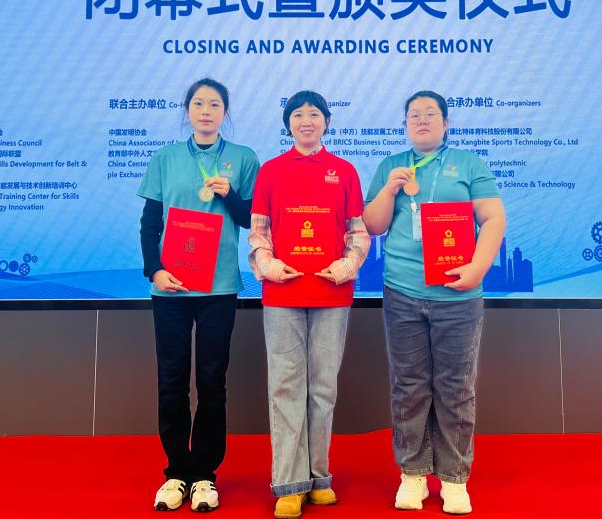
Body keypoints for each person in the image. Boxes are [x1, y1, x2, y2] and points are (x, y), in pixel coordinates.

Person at [362, 91, 506, 515]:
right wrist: (390, 189)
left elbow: (493, 218)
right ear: (405, 124)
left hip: (458, 296)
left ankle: (455, 478)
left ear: (446, 122)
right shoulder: (391, 165)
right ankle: (412, 474)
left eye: (430, 114)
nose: (422, 120)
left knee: (455, 387)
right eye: (414, 116)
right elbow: (373, 225)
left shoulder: (469, 164)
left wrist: (478, 268)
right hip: (403, 292)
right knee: (408, 386)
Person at [137, 78, 260, 512]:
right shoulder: (165, 158)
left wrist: (231, 197)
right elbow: (150, 223)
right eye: (198, 104)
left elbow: (252, 218)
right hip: (171, 287)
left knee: (211, 381)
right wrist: (154, 270)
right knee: (171, 382)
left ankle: (205, 474)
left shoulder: (243, 158)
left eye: (214, 104)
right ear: (187, 110)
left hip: (219, 287)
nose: (206, 111)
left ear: (225, 112)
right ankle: (176, 472)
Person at [248, 90, 370, 519]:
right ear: (288, 124)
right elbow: (259, 233)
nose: (306, 121)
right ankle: (289, 482)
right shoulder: (271, 171)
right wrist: (268, 265)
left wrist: (346, 265)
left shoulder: (344, 171)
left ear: (326, 122)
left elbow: (358, 233)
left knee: (323, 388)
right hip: (282, 294)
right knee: (285, 387)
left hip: (331, 293)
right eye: (298, 114)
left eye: (314, 114)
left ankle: (319, 477)